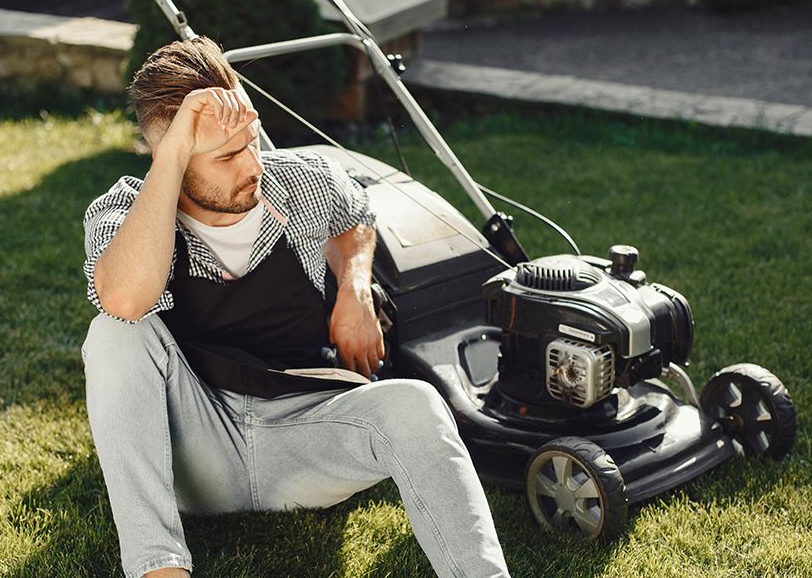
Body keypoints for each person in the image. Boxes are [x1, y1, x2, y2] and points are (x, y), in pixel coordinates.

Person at [81, 37, 511, 578]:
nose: (252, 163)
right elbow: (124, 298)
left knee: (417, 403)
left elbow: (355, 215)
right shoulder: (123, 213)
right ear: (172, 159)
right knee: (115, 333)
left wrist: (354, 289)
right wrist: (170, 155)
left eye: (251, 140)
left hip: (303, 437)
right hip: (194, 453)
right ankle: (159, 567)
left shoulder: (299, 184)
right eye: (227, 155)